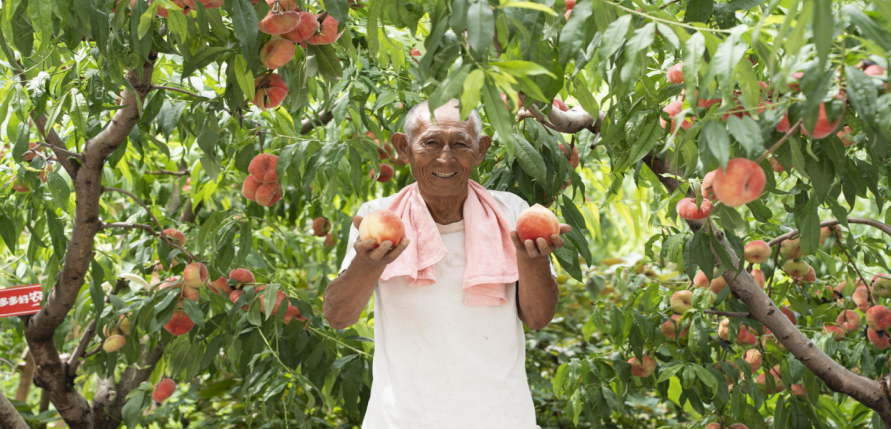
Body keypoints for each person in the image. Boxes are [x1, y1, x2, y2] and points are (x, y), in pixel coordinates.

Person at [323, 99, 571, 428]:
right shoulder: (378, 217)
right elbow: (338, 317)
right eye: (431, 142)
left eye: (460, 144)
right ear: (403, 147)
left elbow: (539, 317)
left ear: (480, 150)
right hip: (402, 420)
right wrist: (367, 266)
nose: (445, 157)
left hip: (500, 418)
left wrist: (533, 263)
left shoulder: (512, 213)